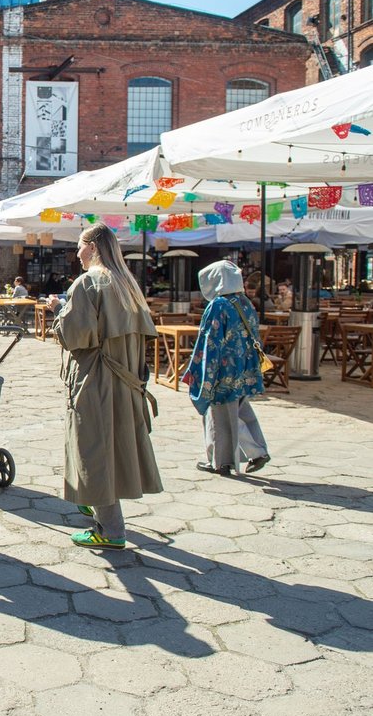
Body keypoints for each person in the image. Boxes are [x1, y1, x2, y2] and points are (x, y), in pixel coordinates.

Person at [47, 223, 162, 550]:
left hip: (96, 379)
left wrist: (58, 310)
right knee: (114, 447)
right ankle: (91, 499)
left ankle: (110, 530)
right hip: (126, 379)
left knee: (94, 449)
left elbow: (73, 336)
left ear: (94, 247)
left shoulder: (88, 283)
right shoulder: (128, 284)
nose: (77, 254)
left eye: (80, 246)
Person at [183, 260, 271, 476]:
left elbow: (209, 341)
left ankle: (222, 462)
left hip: (222, 370)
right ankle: (257, 451)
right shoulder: (245, 303)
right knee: (240, 410)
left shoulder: (218, 305)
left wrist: (203, 371)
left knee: (219, 415)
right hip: (243, 367)